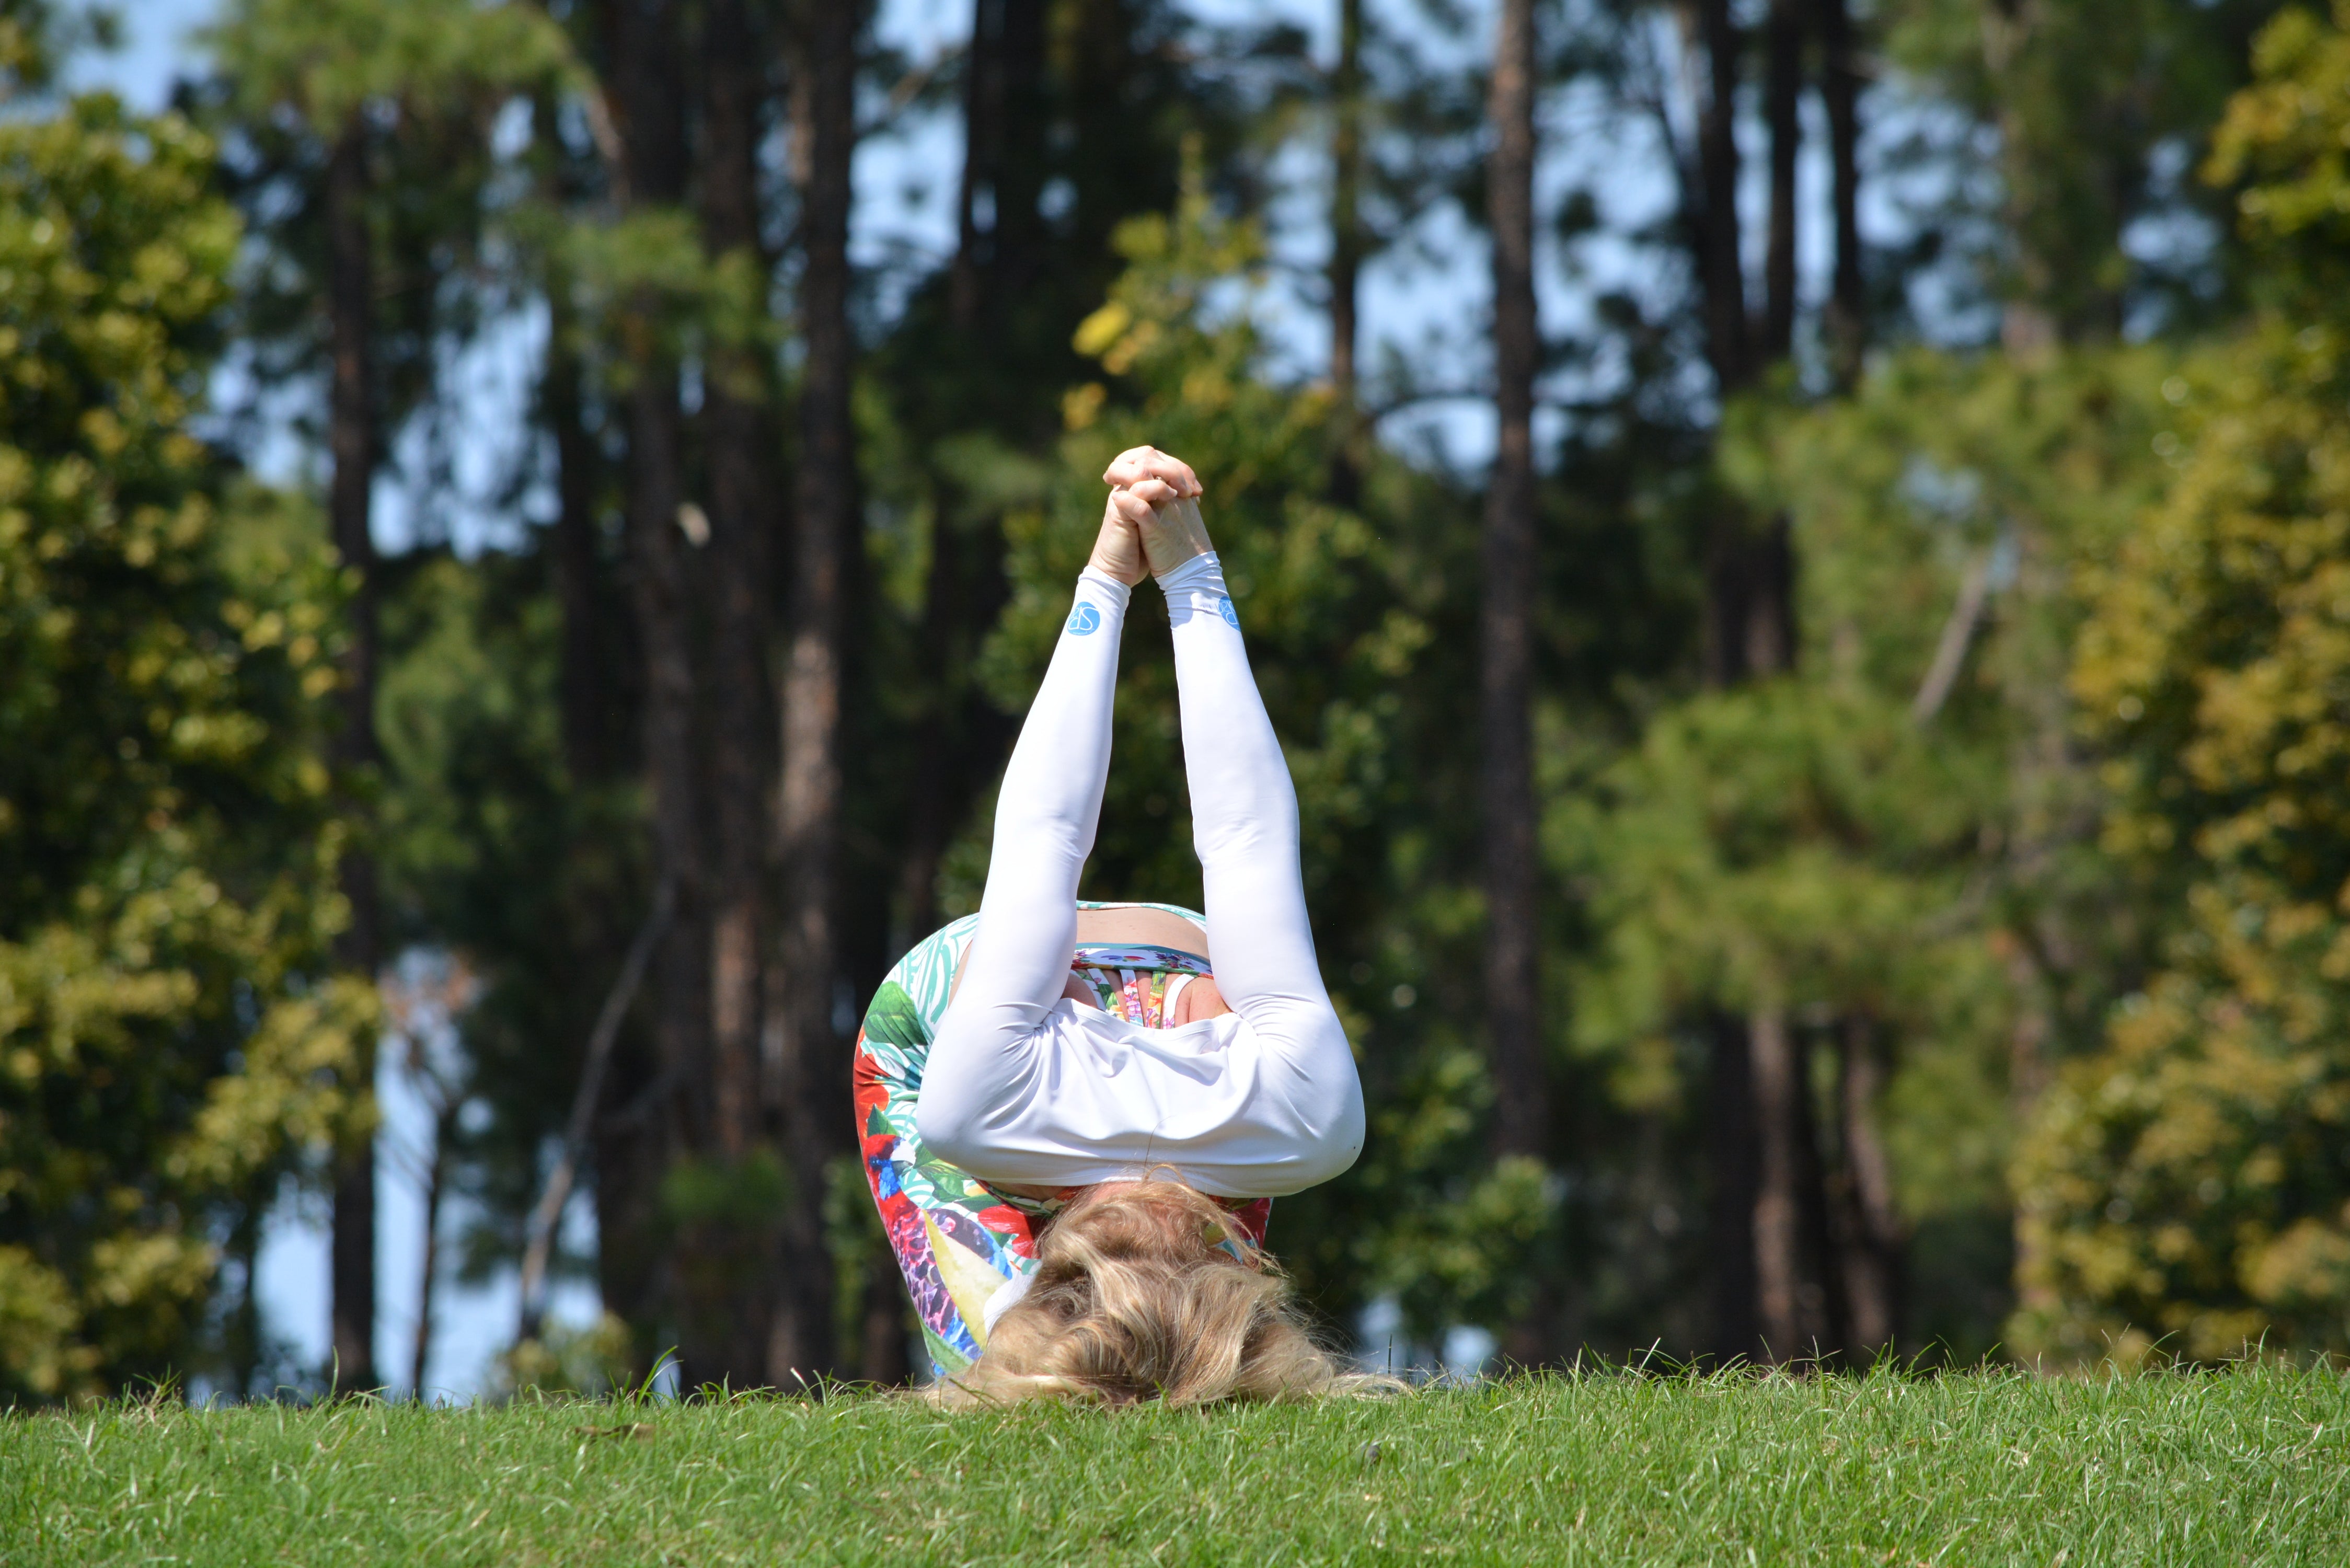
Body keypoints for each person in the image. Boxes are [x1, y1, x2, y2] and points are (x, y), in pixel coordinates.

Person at [851, 446, 1373, 1406]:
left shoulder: (1309, 1130)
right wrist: (1161, 575)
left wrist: (1157, 568)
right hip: (1114, 1012)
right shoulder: (988, 1116)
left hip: (1097, 997)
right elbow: (1073, 839)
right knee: (1009, 1355)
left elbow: (1237, 843)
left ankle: (1148, 1335)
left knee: (1029, 1358)